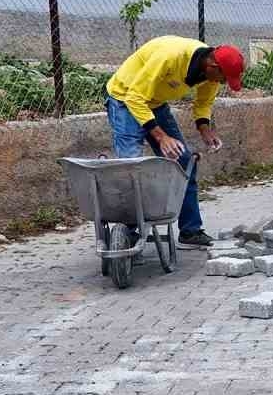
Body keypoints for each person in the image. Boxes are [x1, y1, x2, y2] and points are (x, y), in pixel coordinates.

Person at [104, 36, 245, 248]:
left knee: (184, 161)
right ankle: (128, 232)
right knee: (130, 164)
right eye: (223, 78)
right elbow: (135, 97)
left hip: (154, 102)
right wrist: (161, 136)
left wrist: (205, 130)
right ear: (212, 65)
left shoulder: (210, 74)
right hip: (125, 98)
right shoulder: (170, 57)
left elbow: (204, 103)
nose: (223, 83)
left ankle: (190, 230)